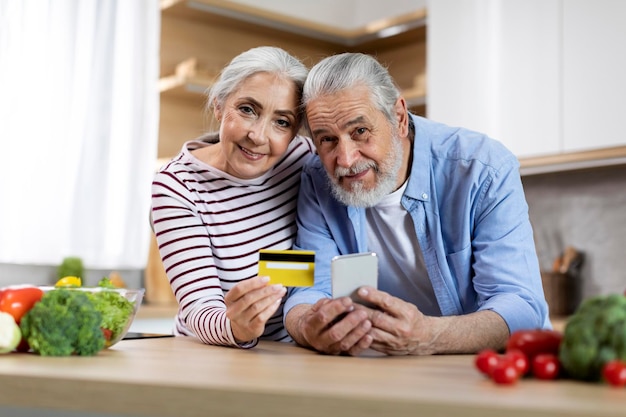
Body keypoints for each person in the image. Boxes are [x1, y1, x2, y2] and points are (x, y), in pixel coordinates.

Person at [283, 52, 551, 356]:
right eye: (327, 139)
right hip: (387, 369)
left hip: (487, 366)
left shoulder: (483, 168)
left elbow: (521, 304)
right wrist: (307, 325)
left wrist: (430, 335)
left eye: (360, 131)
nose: (345, 159)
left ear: (398, 117)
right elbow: (306, 289)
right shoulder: (316, 178)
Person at [151, 46, 314, 348]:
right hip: (214, 354)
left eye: (282, 122)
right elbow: (200, 307)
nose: (258, 136)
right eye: (248, 109)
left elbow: (314, 261)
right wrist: (237, 326)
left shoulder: (304, 159)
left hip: (292, 354)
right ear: (218, 105)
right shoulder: (177, 186)